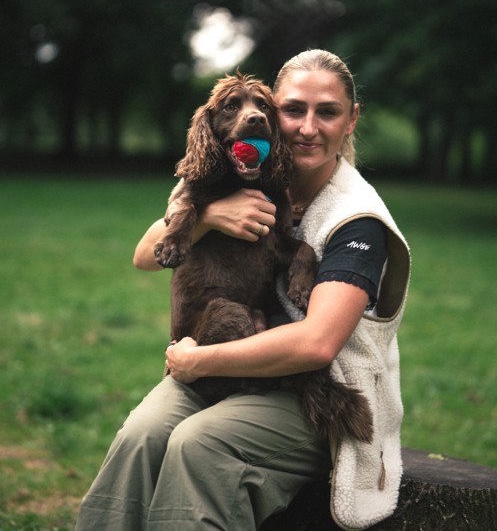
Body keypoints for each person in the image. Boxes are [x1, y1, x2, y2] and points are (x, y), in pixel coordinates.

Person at [75, 49, 410, 531]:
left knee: (198, 444)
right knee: (140, 436)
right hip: (223, 364)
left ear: (351, 120)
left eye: (327, 112)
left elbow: (317, 344)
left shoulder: (357, 220)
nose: (307, 127)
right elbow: (146, 254)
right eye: (293, 110)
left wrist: (198, 361)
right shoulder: (237, 176)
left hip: (315, 394)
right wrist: (211, 217)